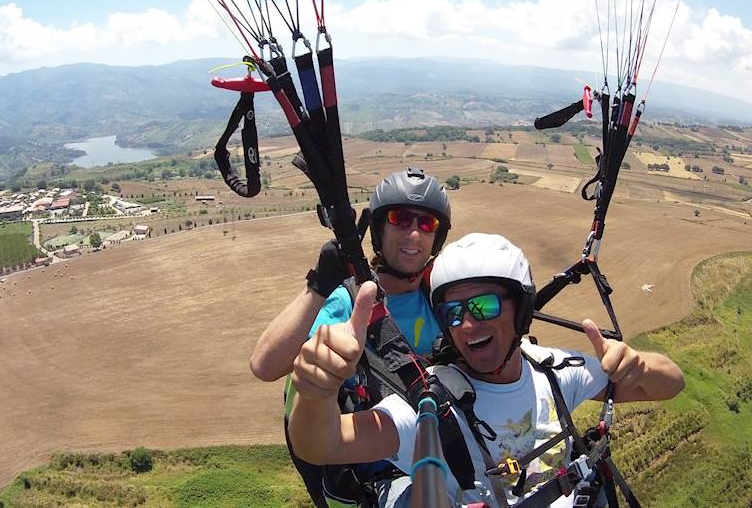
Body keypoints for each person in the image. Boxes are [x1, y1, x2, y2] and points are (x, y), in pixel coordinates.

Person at [287, 233, 685, 507]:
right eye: (453, 312)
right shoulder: (430, 408)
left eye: (483, 306)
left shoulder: (555, 372)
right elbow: (322, 445)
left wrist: (640, 365)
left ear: (521, 309)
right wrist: (317, 395)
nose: (467, 323)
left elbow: (670, 384)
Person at [249, 167, 452, 507]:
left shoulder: (440, 296)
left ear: (438, 237)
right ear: (379, 230)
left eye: (427, 224)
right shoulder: (350, 300)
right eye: (401, 219)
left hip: (434, 447)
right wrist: (319, 285)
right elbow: (265, 365)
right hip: (373, 470)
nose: (414, 234)